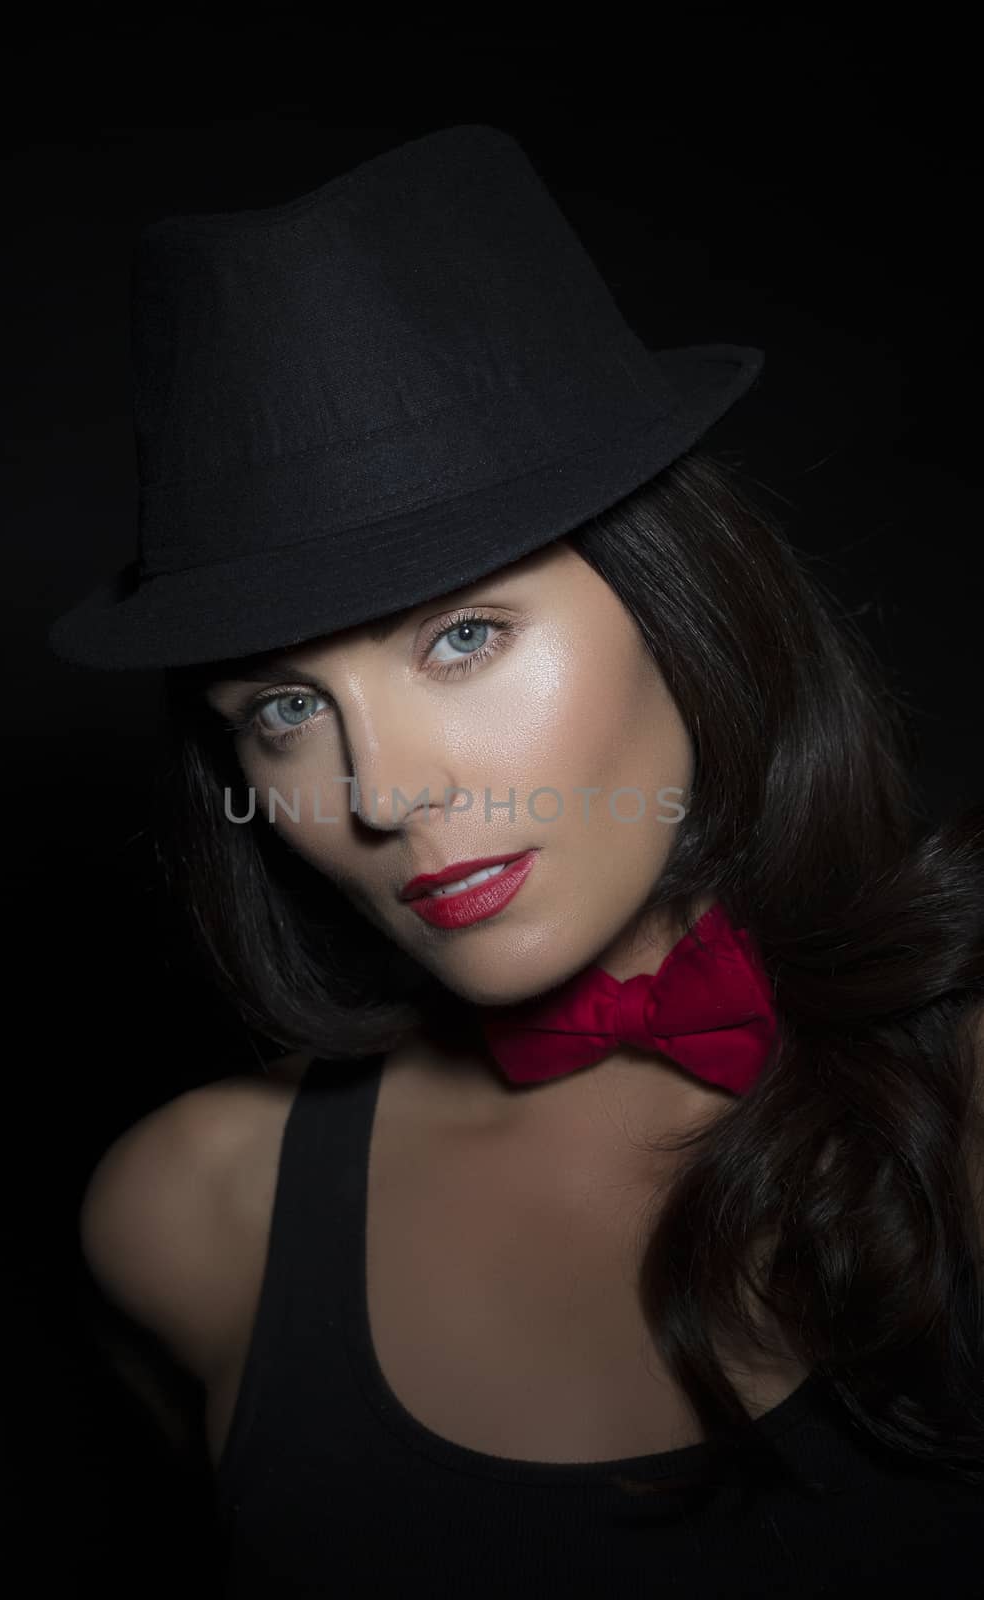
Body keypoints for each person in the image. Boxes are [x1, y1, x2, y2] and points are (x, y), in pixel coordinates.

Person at [50, 124, 984, 1596]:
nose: (383, 791)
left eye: (463, 638)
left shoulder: (967, 1088)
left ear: (688, 613)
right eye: (286, 712)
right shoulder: (182, 1215)